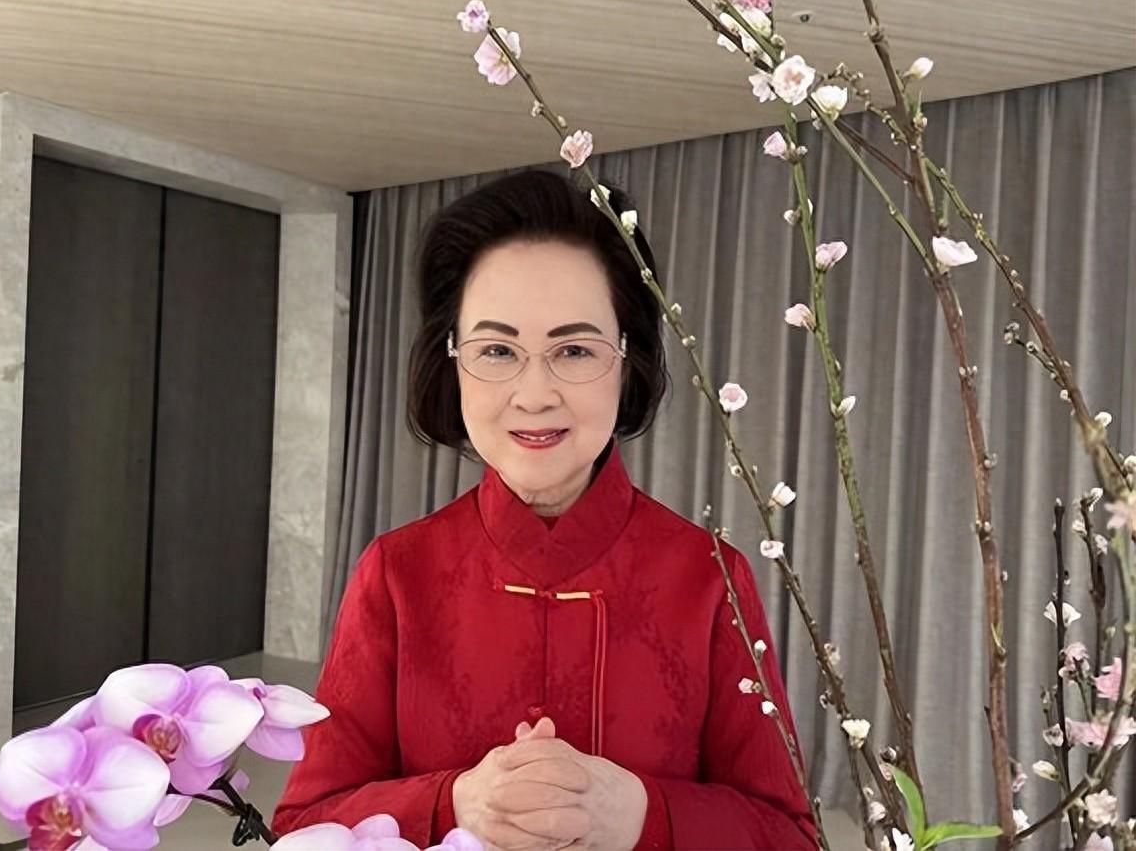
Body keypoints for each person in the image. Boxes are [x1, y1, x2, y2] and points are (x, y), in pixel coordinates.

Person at [272, 170, 816, 849]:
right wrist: (453, 803)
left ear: (628, 359)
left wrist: (643, 814)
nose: (534, 394)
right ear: (452, 360)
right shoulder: (397, 572)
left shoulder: (710, 578)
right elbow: (303, 824)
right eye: (497, 350)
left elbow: (792, 836)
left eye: (575, 350)